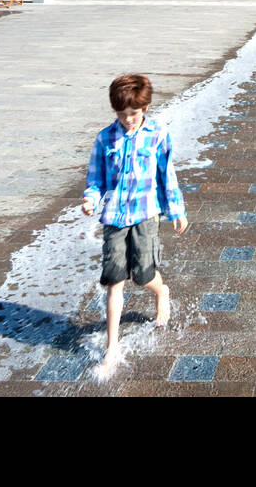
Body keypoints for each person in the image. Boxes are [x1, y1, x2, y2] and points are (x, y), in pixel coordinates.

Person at [81, 73, 188, 377]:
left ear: (146, 107)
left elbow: (167, 176)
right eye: (122, 113)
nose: (128, 119)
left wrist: (176, 210)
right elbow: (95, 178)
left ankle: (161, 292)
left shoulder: (157, 135)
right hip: (114, 216)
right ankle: (112, 348)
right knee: (114, 278)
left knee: (142, 274)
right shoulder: (105, 138)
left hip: (145, 214)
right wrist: (90, 199)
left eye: (134, 113)